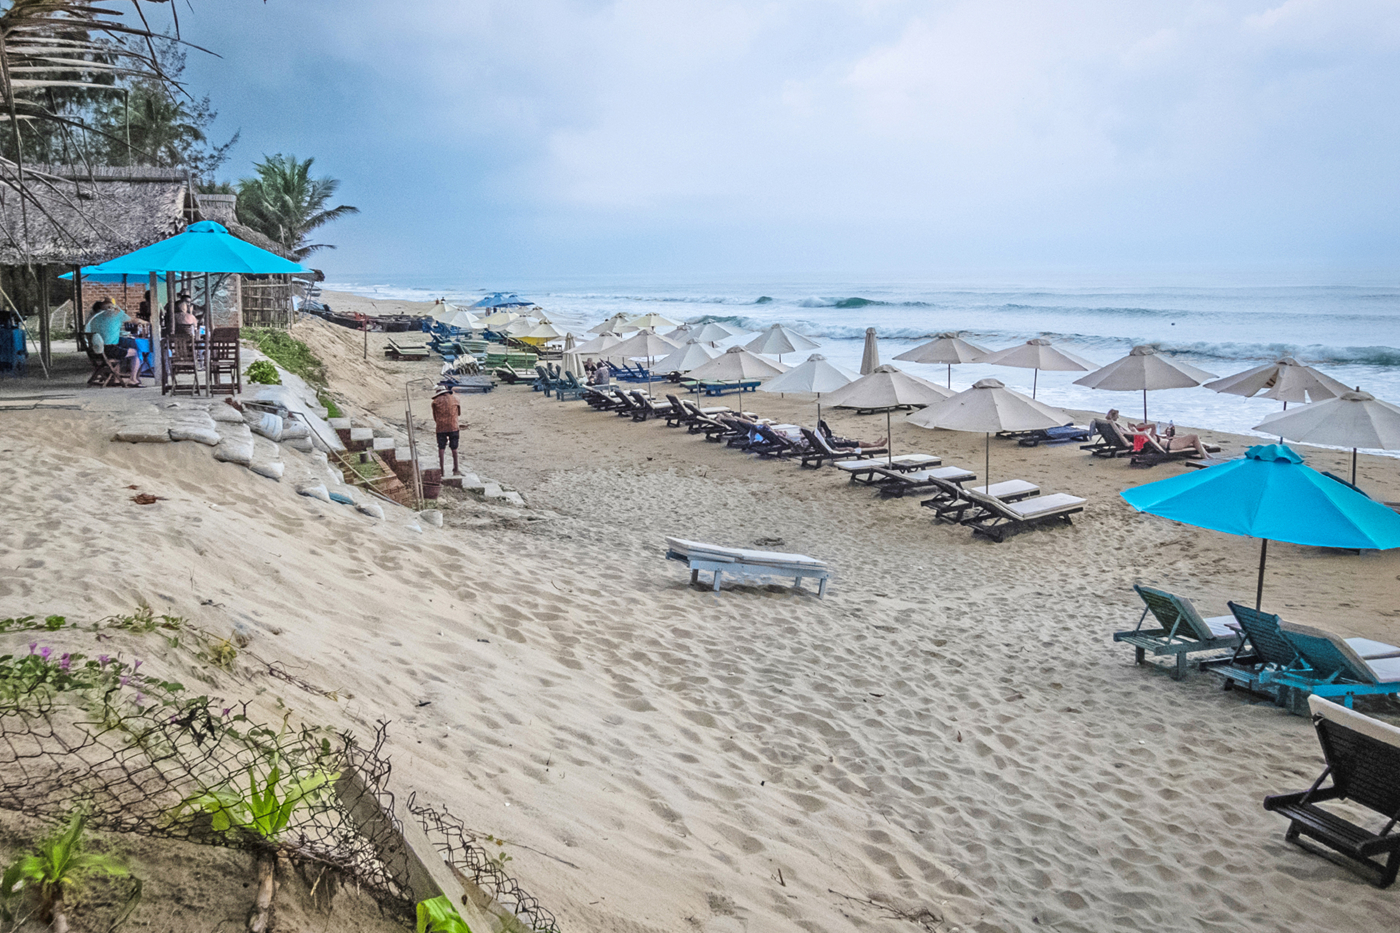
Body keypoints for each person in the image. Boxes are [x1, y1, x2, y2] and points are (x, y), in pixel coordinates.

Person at [84, 299, 140, 386]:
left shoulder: (93, 318)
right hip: (108, 350)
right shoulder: (115, 314)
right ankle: (133, 379)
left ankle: (116, 379)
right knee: (135, 352)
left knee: (118, 349)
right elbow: (134, 321)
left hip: (95, 352)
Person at [431, 384, 465, 475]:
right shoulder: (455, 399)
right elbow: (459, 413)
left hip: (440, 427)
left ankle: (442, 471)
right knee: (454, 448)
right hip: (453, 426)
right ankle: (456, 469)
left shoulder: (435, 402)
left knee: (441, 447)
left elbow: (435, 417)